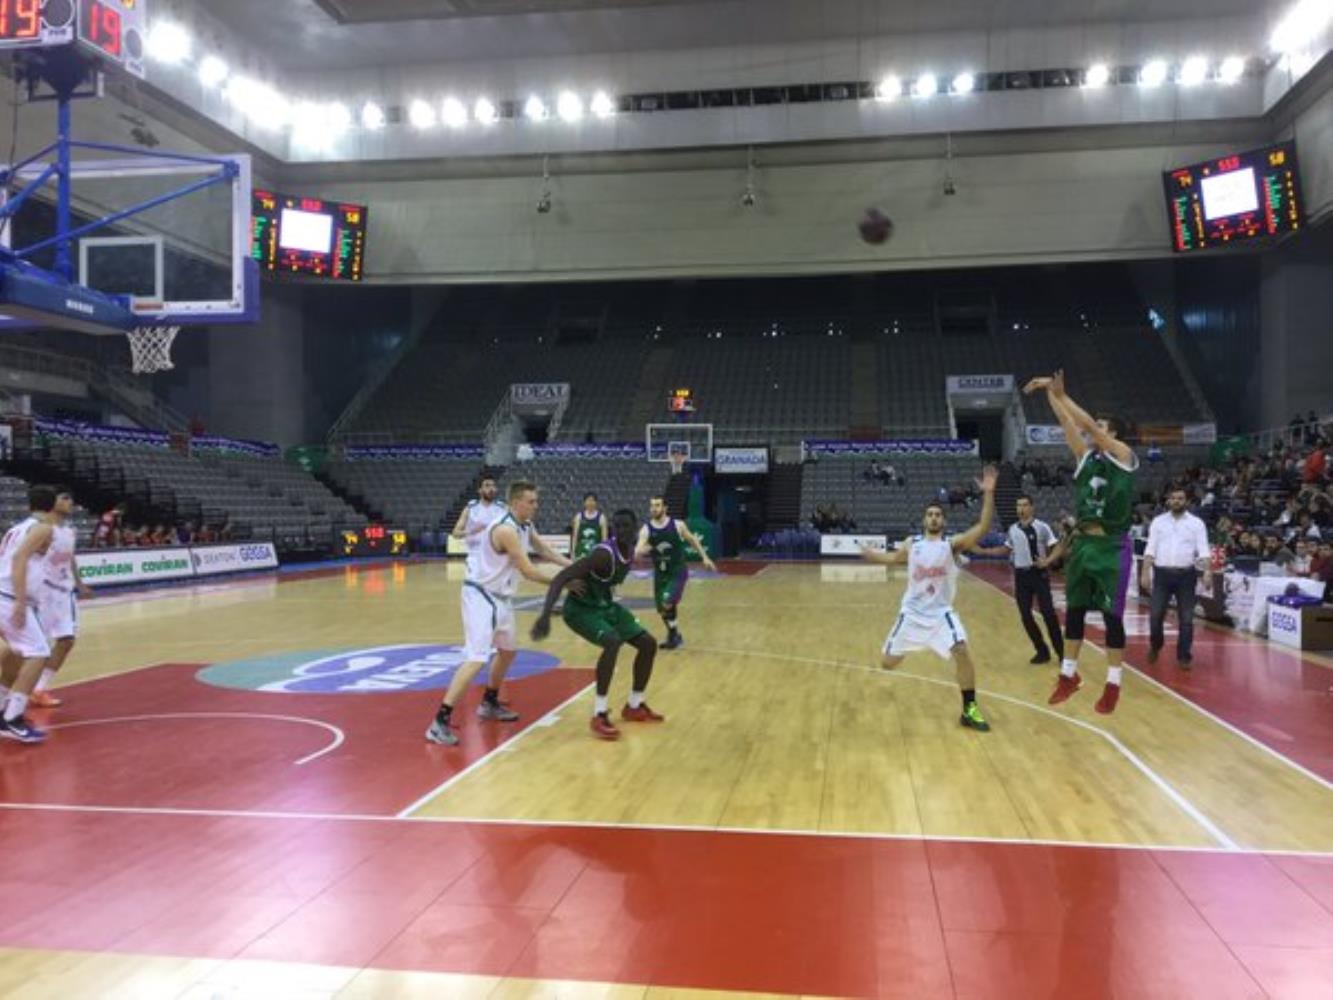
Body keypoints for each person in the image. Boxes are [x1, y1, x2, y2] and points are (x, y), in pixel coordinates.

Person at [1024, 370, 1137, 715]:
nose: (1093, 431)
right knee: (1073, 611)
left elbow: (1085, 422)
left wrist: (1064, 394)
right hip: (1084, 546)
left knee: (1111, 617)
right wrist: (1051, 395)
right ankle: (1068, 676)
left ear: (1113, 432)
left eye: (1102, 427)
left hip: (1112, 548)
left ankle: (1113, 683)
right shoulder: (1086, 458)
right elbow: (1069, 425)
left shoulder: (1124, 454)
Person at [426, 481, 570, 746]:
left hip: (501, 597)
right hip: (481, 595)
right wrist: (564, 581)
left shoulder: (525, 525)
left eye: (536, 501)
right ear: (516, 503)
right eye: (531, 501)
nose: (536, 506)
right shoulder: (505, 529)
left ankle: (489, 702)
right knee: (477, 658)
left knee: (508, 651)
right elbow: (528, 570)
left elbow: (542, 549)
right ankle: (439, 722)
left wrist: (570, 565)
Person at [860, 465, 998, 731]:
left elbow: (982, 527)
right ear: (924, 520)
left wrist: (989, 494)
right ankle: (915, 644)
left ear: (943, 521)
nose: (934, 518)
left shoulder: (952, 544)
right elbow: (892, 559)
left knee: (962, 649)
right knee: (887, 663)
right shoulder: (913, 544)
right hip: (911, 614)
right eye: (930, 515)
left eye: (938, 515)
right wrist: (871, 555)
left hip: (940, 614)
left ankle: (970, 709)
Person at [532, 509, 661, 741]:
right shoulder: (603, 555)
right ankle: (599, 713)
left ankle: (634, 705)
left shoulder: (630, 551)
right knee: (612, 641)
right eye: (617, 526)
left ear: (635, 528)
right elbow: (562, 577)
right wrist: (545, 614)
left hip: (604, 606)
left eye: (626, 526)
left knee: (648, 643)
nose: (621, 530)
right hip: (580, 610)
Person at [974, 495, 1064, 664]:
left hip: (1039, 575)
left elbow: (1056, 546)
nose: (1021, 509)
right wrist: (983, 552)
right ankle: (1042, 651)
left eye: (1024, 505)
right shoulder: (1012, 529)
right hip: (1021, 576)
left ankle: (1062, 653)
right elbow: (1005, 550)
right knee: (1025, 616)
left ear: (1032, 507)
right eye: (1018, 505)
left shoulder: (1042, 527)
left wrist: (1048, 561)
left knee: (1049, 614)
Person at [0, 485, 58, 742]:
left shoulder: (17, 528)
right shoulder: (44, 528)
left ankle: (2, 708)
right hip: (10, 597)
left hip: (3, 594)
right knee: (39, 653)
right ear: (53, 505)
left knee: (14, 654)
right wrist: (21, 601)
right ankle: (13, 718)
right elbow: (20, 558)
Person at [29, 488, 92, 709]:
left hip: (65, 593)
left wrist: (79, 582)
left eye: (70, 498)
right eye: (64, 498)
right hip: (43, 592)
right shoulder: (41, 530)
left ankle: (39, 688)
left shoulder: (69, 531)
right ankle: (13, 687)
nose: (70, 501)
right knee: (35, 646)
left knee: (66, 641)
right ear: (51, 503)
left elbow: (70, 558)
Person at [1141, 487, 1211, 669]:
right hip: (1162, 574)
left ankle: (1184, 656)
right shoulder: (1158, 522)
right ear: (1168, 501)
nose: (1177, 501)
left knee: (1187, 619)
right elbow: (1150, 548)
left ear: (1186, 501)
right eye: (1173, 498)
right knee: (1155, 616)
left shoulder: (1196, 524)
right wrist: (1145, 572)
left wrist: (1208, 571)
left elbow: (1204, 549)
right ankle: (1156, 645)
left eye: (1180, 498)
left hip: (1186, 575)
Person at [638, 496, 716, 650]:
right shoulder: (646, 529)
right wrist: (644, 549)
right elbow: (639, 549)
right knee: (663, 610)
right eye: (652, 506)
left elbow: (692, 540)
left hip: (677, 571)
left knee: (667, 602)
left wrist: (705, 557)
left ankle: (673, 635)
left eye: (658, 505)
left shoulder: (678, 525)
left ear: (665, 508)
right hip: (660, 574)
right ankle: (674, 635)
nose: (654, 508)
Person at [451, 476, 506, 554]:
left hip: (496, 553)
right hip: (475, 554)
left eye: (493, 486)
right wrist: (471, 531)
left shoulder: (503, 508)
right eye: (487, 486)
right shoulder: (470, 508)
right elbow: (455, 533)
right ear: (479, 490)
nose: (491, 489)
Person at [569, 492, 608, 559]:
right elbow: (575, 536)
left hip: (595, 552)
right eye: (588, 500)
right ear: (584, 502)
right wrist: (573, 552)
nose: (590, 503)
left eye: (592, 500)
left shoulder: (601, 517)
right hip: (581, 552)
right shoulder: (579, 517)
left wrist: (603, 553)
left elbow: (604, 539)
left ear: (596, 503)